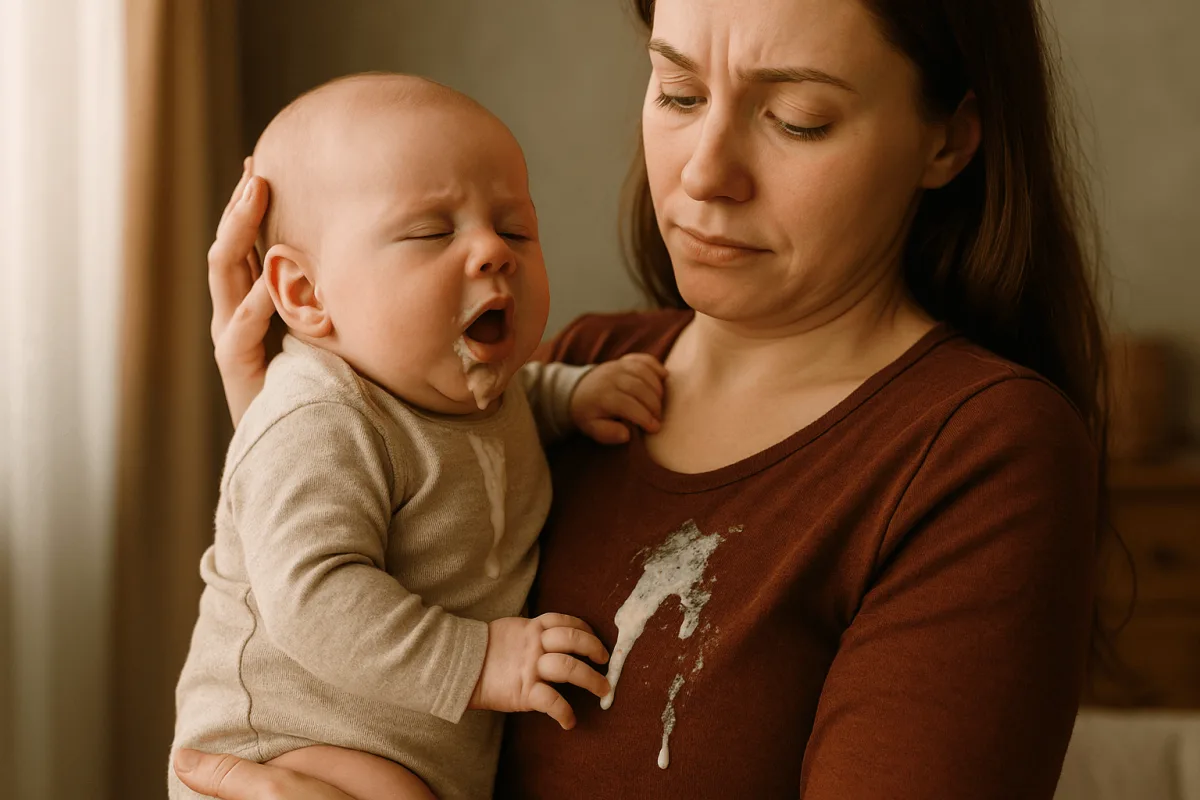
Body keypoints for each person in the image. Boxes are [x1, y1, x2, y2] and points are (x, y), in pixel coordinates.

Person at [176, 0, 1109, 797]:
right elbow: (338, 620)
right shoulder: (575, 377)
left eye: (796, 118)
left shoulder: (978, 451)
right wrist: (308, 419)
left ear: (947, 138)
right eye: (679, 94)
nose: (705, 173)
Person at [171, 74, 670, 800]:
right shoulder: (318, 417)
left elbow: (514, 399)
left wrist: (571, 395)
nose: (492, 253)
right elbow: (312, 597)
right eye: (433, 232)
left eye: (515, 229)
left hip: (406, 753)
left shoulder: (451, 382)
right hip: (288, 748)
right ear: (308, 295)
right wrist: (483, 660)